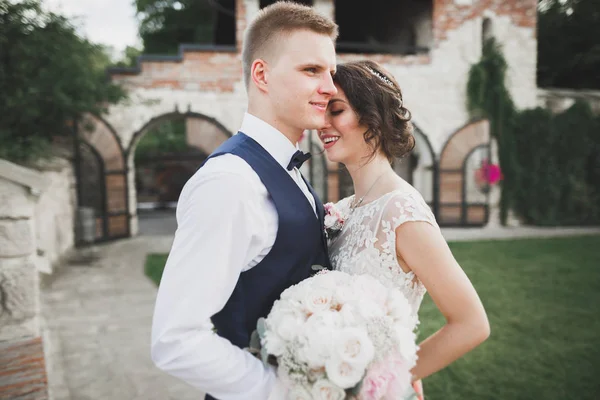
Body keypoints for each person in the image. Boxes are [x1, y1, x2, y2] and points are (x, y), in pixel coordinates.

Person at [150, 2, 338, 399]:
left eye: (331, 73)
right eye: (311, 70)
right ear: (262, 74)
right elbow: (175, 339)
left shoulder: (284, 166)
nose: (331, 88)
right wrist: (287, 393)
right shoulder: (231, 183)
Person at [320, 60, 491, 398]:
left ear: (373, 118)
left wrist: (383, 379)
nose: (321, 124)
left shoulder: (402, 212)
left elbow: (472, 324)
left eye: (335, 110)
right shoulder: (341, 210)